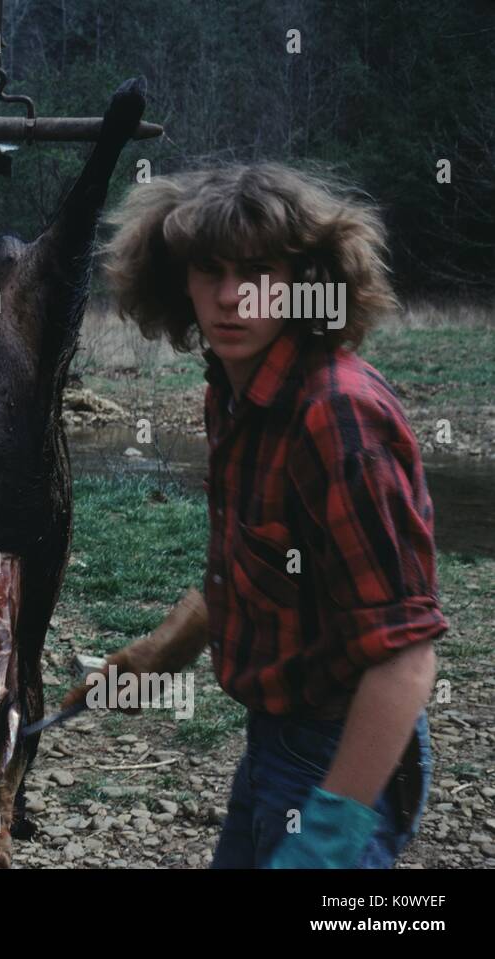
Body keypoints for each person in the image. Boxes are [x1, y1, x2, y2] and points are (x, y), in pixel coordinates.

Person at [62, 163, 447, 868]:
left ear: (307, 280)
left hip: (343, 750)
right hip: (276, 739)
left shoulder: (337, 415)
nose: (232, 296)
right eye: (209, 269)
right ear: (177, 276)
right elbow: (258, 560)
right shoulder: (235, 391)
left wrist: (332, 829)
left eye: (260, 270)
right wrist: (156, 655)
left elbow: (405, 658)